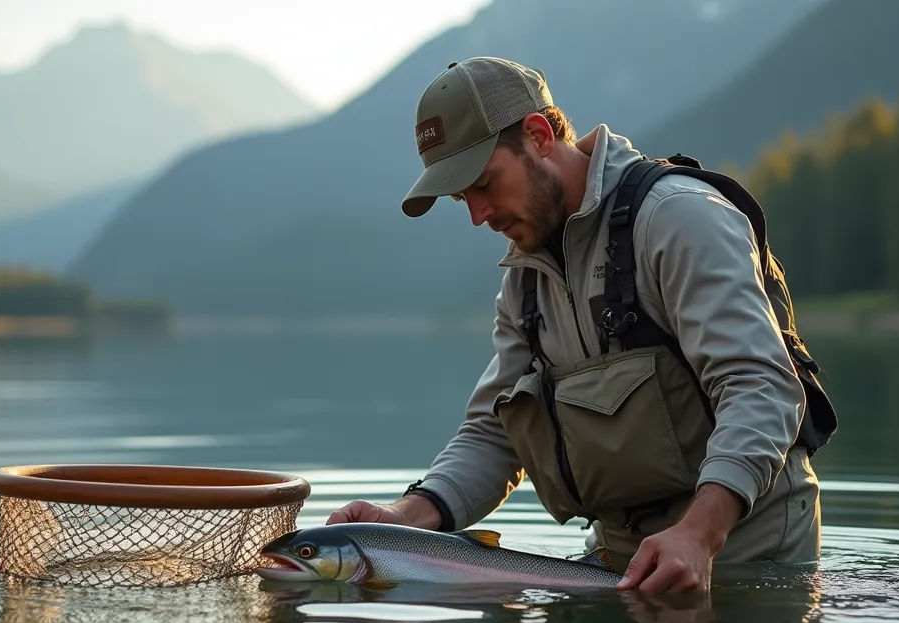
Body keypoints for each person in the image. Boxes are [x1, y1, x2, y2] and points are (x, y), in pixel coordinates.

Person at [327, 56, 827, 595]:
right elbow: (496, 433)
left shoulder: (677, 218)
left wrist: (699, 534)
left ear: (538, 135)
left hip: (745, 559)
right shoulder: (523, 284)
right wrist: (408, 514)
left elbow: (762, 387)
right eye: (461, 198)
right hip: (615, 560)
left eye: (484, 184)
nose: (477, 215)